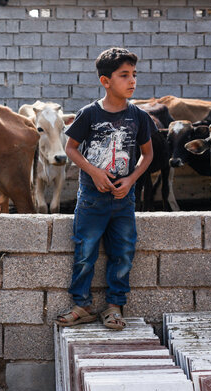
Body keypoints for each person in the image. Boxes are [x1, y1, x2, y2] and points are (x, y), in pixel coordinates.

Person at [55, 47, 155, 330]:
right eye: (124, 75)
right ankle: (82, 305)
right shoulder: (89, 114)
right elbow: (71, 149)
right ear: (105, 81)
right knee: (85, 252)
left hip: (124, 200)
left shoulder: (139, 117)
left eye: (134, 75)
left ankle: (113, 307)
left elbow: (147, 155)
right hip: (91, 199)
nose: (132, 81)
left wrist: (131, 179)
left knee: (123, 253)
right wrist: (94, 171)